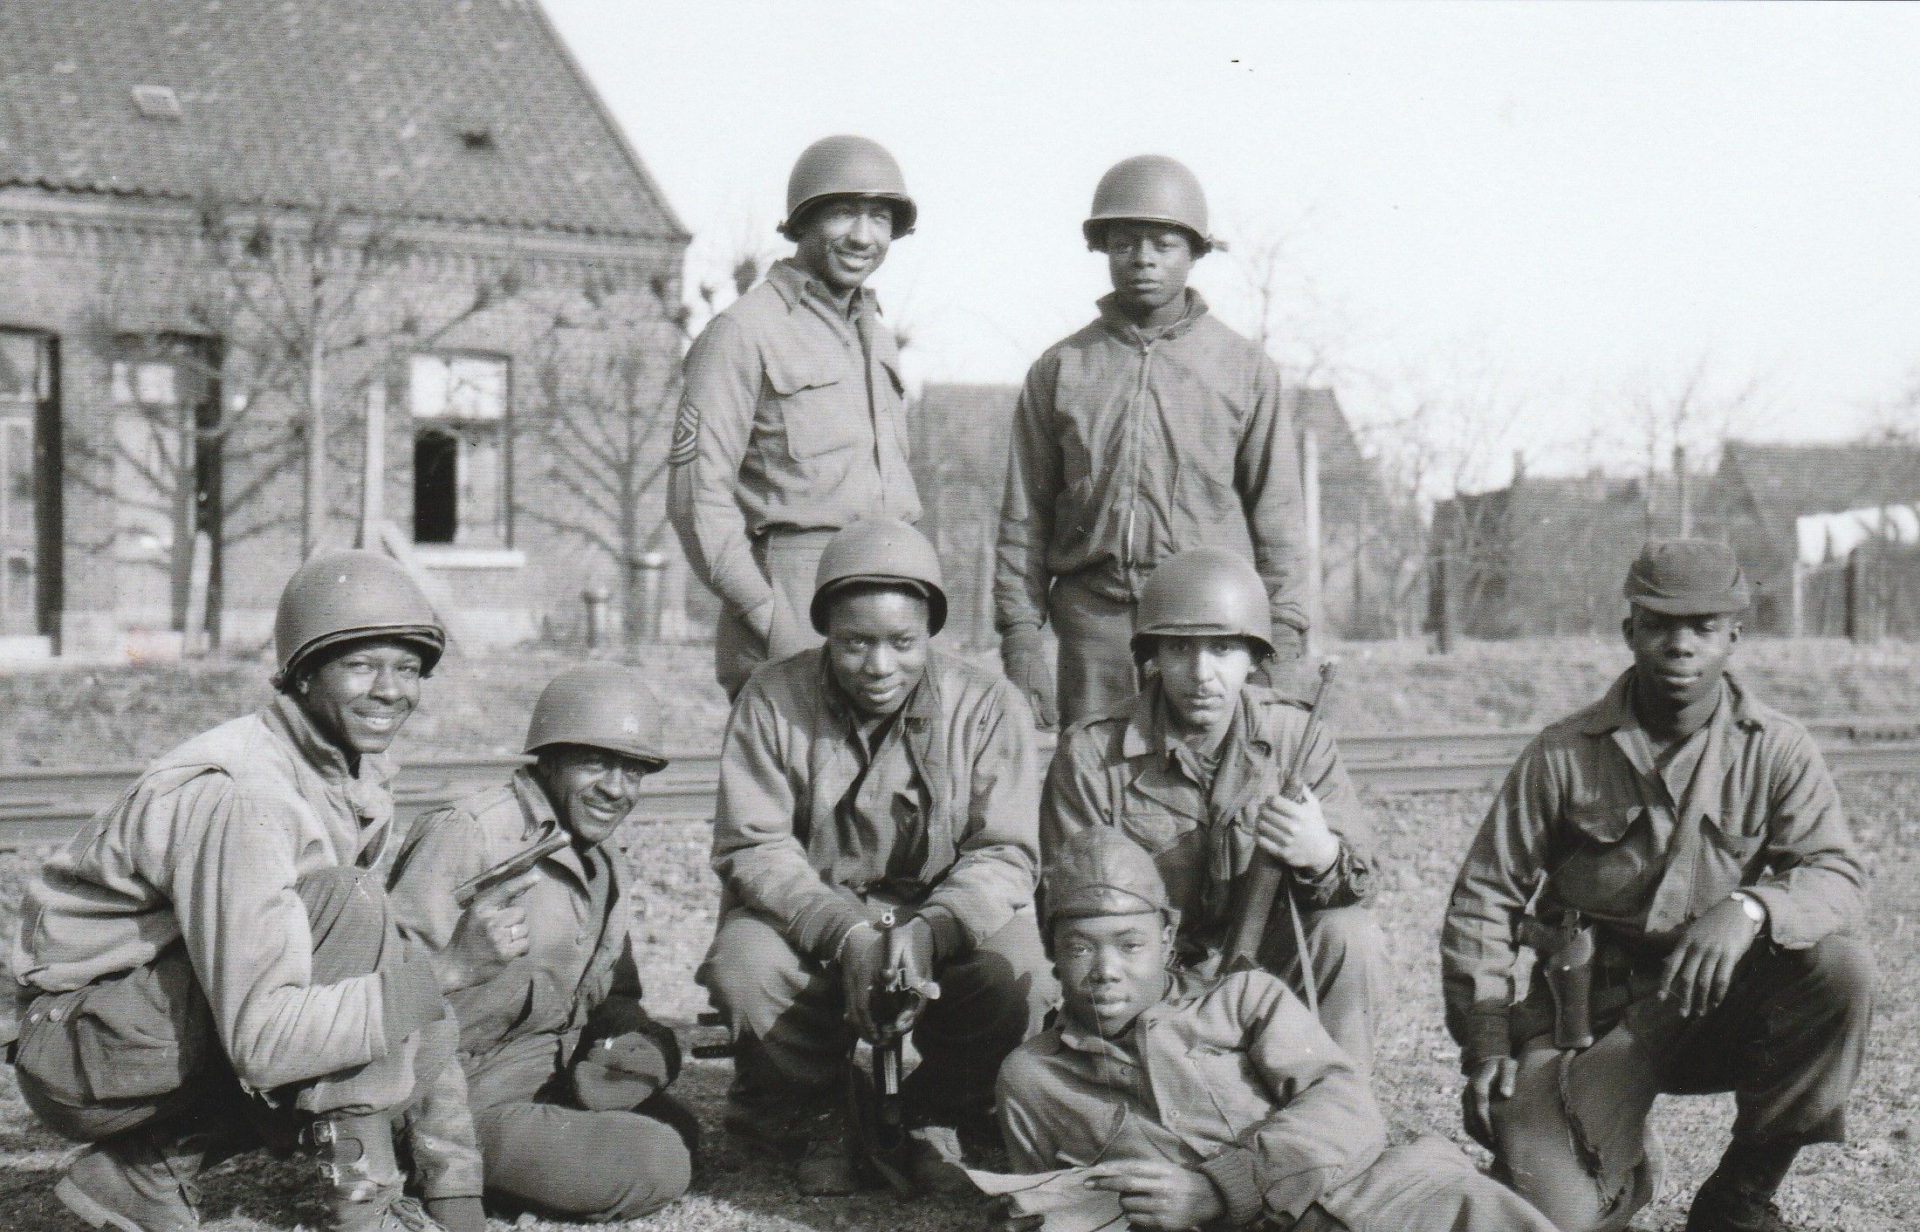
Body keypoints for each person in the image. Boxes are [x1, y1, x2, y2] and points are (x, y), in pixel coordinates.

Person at [10, 550, 519, 1232]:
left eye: (407, 669)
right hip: (84, 1048)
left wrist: (459, 1201)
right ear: (304, 674)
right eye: (361, 665)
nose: (390, 691)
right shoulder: (245, 795)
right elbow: (266, 1041)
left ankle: (145, 1170)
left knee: (398, 995)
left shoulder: (346, 774)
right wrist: (445, 972)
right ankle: (361, 1206)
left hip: (143, 1027)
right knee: (360, 929)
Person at [1441, 540, 1875, 1232]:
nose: (1681, 645)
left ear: (1734, 637)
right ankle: (1621, 1150)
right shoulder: (1563, 753)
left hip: (1710, 1006)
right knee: (1549, 1219)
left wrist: (1752, 906)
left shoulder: (1776, 748)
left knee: (1839, 970)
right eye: (1661, 625)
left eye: (1704, 627)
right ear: (1630, 631)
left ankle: (1739, 1198)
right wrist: (1487, 1041)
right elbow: (1484, 898)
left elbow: (1838, 875)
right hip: (1587, 1020)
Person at [700, 517, 1055, 1195]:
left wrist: (931, 931)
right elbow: (754, 844)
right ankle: (821, 1109)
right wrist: (846, 932)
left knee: (1022, 976)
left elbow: (1005, 852)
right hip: (817, 911)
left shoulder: (987, 705)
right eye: (855, 643)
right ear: (826, 633)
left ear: (931, 634)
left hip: (939, 912)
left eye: (902, 643)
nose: (879, 666)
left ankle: (938, 1107)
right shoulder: (770, 698)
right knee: (745, 964)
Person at [995, 826, 1558, 1232]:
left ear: (1167, 941)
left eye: (1130, 945)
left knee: (1476, 1210)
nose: (1106, 970)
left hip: (1361, 1196)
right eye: (1079, 948)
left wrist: (1219, 1187)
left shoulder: (1244, 998)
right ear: (1052, 953)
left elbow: (1346, 1107)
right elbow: (1047, 1208)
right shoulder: (1033, 1078)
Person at [995, 154, 1308, 729]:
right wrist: (1020, 638)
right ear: (1103, 250)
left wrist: (1283, 638)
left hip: (1207, 626)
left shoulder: (1243, 369)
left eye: (1163, 244)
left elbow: (1279, 518)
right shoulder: (1061, 368)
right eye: (1124, 243)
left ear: (1195, 252)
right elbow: (1025, 517)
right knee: (1094, 772)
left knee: (1208, 773)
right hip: (1095, 626)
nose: (1142, 258)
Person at [1040, 547, 1387, 1066]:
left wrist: (1321, 856)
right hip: (1147, 980)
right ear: (1154, 656)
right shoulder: (1093, 754)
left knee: (1349, 935)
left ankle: (1340, 1098)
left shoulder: (1298, 737)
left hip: (1266, 966)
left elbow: (1361, 882)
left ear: (1254, 658)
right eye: (1180, 648)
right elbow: (1068, 911)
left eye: (1223, 649)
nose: (1201, 672)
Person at [387, 665, 694, 1223]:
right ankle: (432, 1172)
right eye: (595, 762)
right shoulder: (474, 833)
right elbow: (401, 1012)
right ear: (548, 759)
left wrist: (636, 1042)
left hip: (542, 1077)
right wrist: (451, 1179)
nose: (616, 789)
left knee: (679, 1130)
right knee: (656, 1160)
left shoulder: (600, 860)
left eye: (633, 771)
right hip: (456, 1099)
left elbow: (613, 994)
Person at [669, 134, 922, 701]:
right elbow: (696, 501)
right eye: (843, 213)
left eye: (880, 218)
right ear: (804, 220)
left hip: (888, 596)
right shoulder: (743, 332)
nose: (863, 236)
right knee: (794, 758)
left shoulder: (877, 337)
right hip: (793, 598)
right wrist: (768, 615)